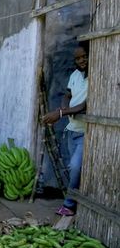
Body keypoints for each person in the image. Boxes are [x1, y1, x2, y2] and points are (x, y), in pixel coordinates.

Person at [42, 45, 88, 216]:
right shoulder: (75, 75)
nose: (81, 60)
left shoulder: (96, 76)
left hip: (86, 131)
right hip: (72, 130)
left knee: (76, 167)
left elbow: (85, 105)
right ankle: (77, 200)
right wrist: (63, 106)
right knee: (73, 167)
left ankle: (69, 205)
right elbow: (67, 95)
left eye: (84, 56)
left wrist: (60, 113)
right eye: (77, 58)